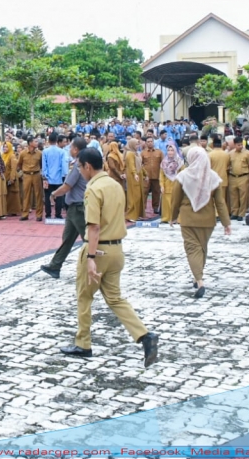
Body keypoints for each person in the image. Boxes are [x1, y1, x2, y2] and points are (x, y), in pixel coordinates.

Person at [60, 148, 159, 367]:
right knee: (114, 298)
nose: (80, 171)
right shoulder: (115, 185)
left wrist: (91, 257)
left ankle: (83, 343)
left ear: (87, 166)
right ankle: (144, 335)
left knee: (84, 297)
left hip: (99, 249)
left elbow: (93, 226)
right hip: (117, 249)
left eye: (80, 167)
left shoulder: (93, 189)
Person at [167, 146, 230, 298]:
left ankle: (200, 281)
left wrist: (173, 216)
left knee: (192, 249)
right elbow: (220, 203)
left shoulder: (183, 176)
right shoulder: (213, 177)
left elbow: (175, 200)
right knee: (201, 248)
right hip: (208, 220)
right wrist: (226, 222)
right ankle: (197, 277)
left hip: (188, 219)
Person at [41, 137, 89, 279]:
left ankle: (98, 264)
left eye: (72, 147)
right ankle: (55, 266)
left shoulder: (79, 165)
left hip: (78, 207)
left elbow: (68, 185)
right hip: (75, 207)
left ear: (77, 149)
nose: (70, 149)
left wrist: (54, 194)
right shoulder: (84, 163)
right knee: (67, 239)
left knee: (89, 239)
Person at [227, 138, 249, 221]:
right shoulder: (230, 154)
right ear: (234, 145)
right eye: (238, 145)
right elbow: (229, 165)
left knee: (243, 196)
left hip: (244, 176)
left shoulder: (248, 153)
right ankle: (234, 213)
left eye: (241, 145)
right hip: (232, 176)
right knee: (233, 196)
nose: (240, 146)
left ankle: (241, 213)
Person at [42, 135, 69, 219]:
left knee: (47, 196)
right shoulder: (61, 151)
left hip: (48, 178)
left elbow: (44, 165)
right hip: (59, 177)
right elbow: (64, 165)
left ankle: (48, 214)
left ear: (49, 140)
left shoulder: (45, 151)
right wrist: (65, 174)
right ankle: (58, 214)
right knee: (59, 196)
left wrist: (45, 176)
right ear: (57, 140)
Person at [18, 138, 43, 221]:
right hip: (26, 175)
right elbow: (19, 164)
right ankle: (25, 214)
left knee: (38, 195)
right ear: (30, 143)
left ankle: (39, 215)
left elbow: (41, 164)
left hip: (36, 174)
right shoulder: (22, 153)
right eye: (35, 141)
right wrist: (23, 172)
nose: (37, 143)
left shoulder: (39, 153)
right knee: (26, 195)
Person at [142, 137, 164, 215]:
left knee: (156, 192)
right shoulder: (143, 153)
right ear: (146, 143)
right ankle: (143, 209)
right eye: (148, 141)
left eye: (151, 141)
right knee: (144, 192)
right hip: (146, 177)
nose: (150, 143)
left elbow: (163, 163)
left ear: (153, 142)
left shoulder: (159, 152)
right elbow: (141, 164)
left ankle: (155, 208)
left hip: (156, 175)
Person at [124, 138, 145, 221]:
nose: (138, 146)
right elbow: (132, 165)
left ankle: (138, 214)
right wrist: (135, 174)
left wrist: (145, 174)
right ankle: (131, 215)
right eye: (136, 144)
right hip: (133, 176)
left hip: (138, 175)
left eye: (138, 144)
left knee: (139, 195)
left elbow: (140, 165)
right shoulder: (130, 154)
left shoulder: (136, 153)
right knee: (133, 195)